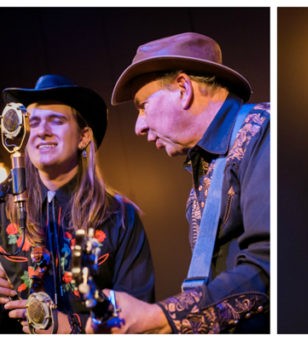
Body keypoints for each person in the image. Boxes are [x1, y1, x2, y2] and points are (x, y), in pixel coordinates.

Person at [0, 74, 155, 333]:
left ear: (83, 136)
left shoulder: (119, 216)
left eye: (56, 121)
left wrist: (70, 327)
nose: (42, 131)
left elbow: (141, 318)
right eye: (33, 123)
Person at [106, 32, 270, 333]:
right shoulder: (205, 169)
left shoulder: (265, 133)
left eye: (143, 106)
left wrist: (159, 316)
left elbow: (269, 268)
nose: (138, 126)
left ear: (183, 88)